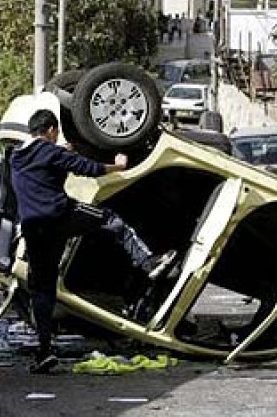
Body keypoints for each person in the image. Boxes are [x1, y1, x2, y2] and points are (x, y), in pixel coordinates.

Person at [10, 109, 179, 374]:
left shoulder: (16, 157)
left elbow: (45, 164)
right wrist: (119, 166)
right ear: (52, 131)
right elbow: (88, 169)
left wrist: (63, 152)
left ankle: (44, 352)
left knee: (42, 289)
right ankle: (148, 262)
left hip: (33, 229)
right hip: (61, 217)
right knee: (110, 219)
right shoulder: (52, 153)